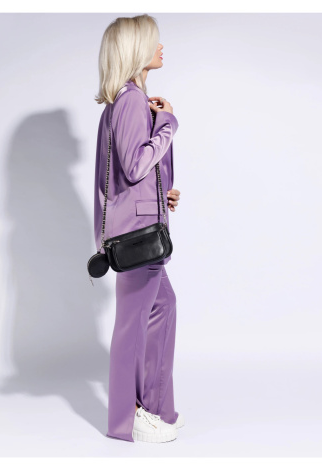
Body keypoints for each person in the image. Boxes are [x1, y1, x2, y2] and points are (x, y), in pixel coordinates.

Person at [93, 14, 183, 443]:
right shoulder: (130, 100)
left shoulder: (128, 100)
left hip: (142, 225)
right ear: (136, 49)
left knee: (163, 307)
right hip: (138, 235)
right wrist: (169, 124)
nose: (161, 47)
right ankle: (126, 421)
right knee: (132, 325)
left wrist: (161, 193)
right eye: (154, 41)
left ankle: (156, 408)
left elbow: (128, 174)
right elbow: (133, 166)